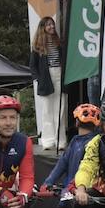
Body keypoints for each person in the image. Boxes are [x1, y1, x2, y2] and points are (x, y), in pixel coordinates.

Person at [29, 17, 63, 151]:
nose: (51, 27)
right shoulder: (37, 46)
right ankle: (48, 141)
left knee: (60, 109)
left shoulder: (58, 43)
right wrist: (38, 79)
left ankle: (60, 140)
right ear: (43, 27)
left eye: (52, 24)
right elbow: (33, 66)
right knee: (47, 110)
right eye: (48, 25)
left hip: (59, 74)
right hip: (46, 77)